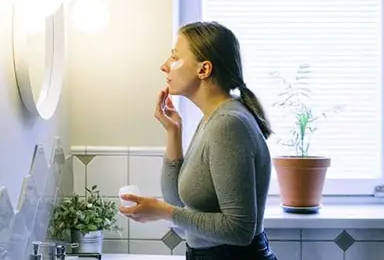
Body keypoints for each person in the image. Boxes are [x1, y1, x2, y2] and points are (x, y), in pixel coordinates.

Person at [119, 21, 278, 260]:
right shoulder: (212, 119)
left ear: (204, 70)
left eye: (174, 57)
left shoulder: (228, 124)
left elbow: (240, 229)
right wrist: (174, 131)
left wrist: (164, 212)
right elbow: (178, 201)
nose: (164, 66)